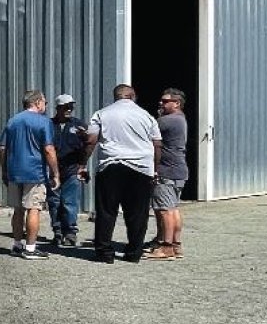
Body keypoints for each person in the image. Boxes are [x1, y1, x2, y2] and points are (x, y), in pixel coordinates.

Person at [80, 84, 162, 264]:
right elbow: (157, 144)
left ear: (115, 97)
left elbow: (91, 140)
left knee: (106, 211)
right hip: (140, 168)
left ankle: (104, 253)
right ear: (132, 96)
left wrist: (82, 164)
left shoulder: (101, 114)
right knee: (137, 213)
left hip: (111, 166)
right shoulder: (147, 116)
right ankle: (134, 253)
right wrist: (155, 170)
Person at [0, 90, 60, 260]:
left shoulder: (12, 121)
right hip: (35, 172)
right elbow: (48, 149)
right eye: (45, 103)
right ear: (38, 102)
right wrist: (55, 173)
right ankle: (31, 249)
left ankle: (17, 245)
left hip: (14, 171)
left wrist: (4, 169)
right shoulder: (43, 122)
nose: (45, 106)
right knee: (34, 208)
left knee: (17, 210)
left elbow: (2, 148)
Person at [145, 88, 188, 260]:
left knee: (164, 210)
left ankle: (166, 247)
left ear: (176, 103)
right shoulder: (180, 119)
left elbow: (147, 131)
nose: (161, 103)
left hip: (167, 170)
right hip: (178, 169)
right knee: (173, 208)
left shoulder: (168, 121)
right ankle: (175, 245)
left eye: (165, 101)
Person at [47, 94, 87, 248]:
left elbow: (89, 145)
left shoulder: (78, 125)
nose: (69, 109)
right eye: (65, 106)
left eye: (71, 106)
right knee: (54, 202)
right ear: (58, 108)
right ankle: (57, 232)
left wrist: (82, 166)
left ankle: (70, 233)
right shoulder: (49, 125)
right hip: (52, 169)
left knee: (69, 202)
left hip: (71, 170)